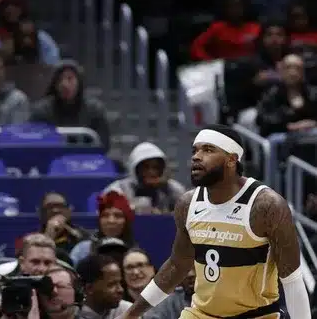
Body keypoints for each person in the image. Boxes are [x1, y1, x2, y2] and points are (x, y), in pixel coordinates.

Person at [122, 125, 309, 319]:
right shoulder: (188, 203)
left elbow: (292, 279)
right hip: (200, 314)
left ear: (231, 159)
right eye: (195, 150)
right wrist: (130, 314)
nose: (196, 156)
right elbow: (177, 266)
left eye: (208, 150)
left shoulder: (266, 205)